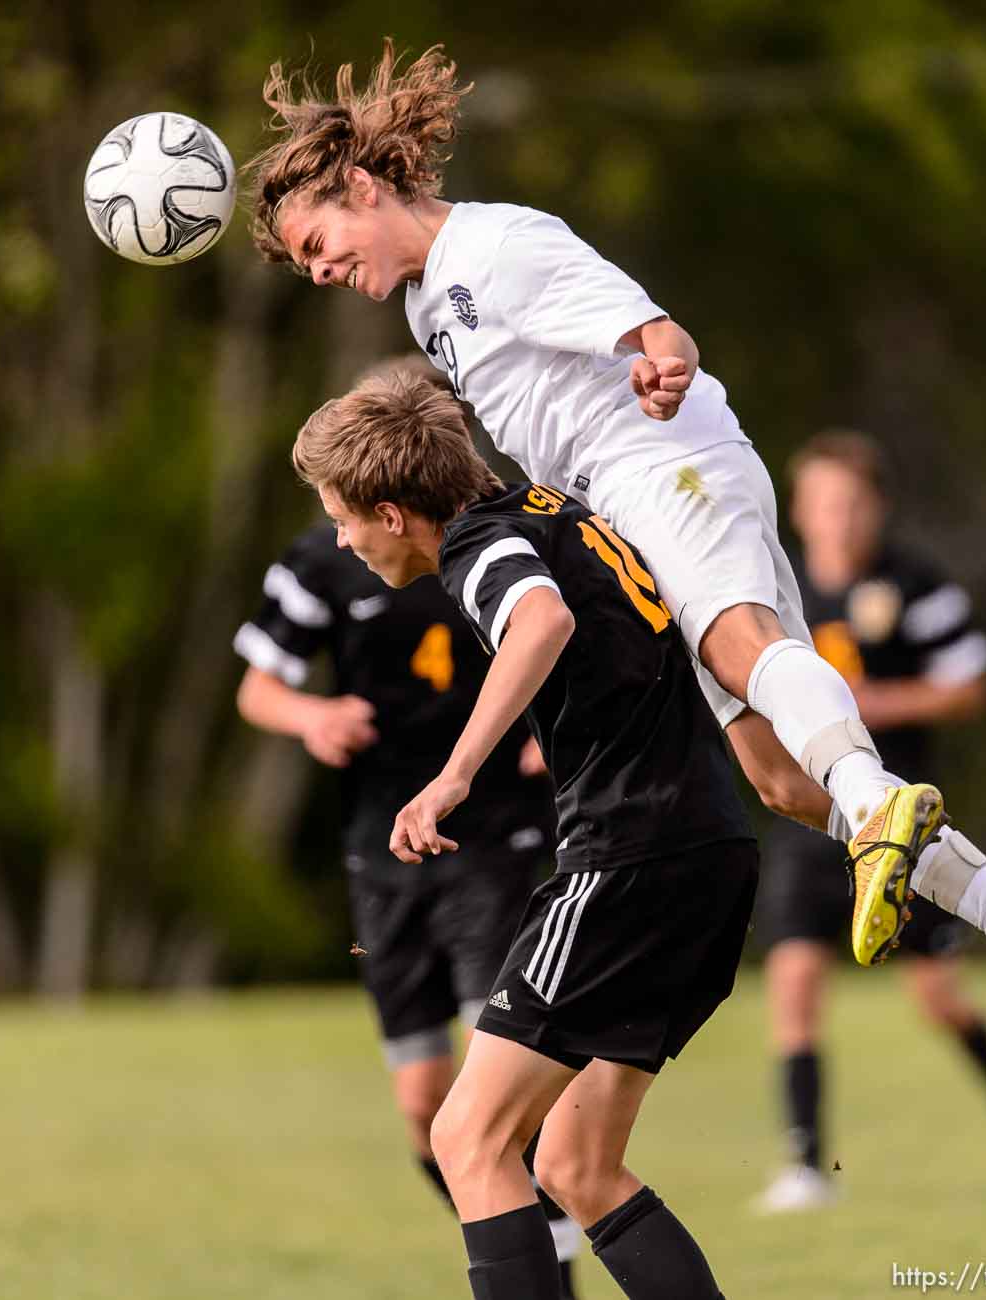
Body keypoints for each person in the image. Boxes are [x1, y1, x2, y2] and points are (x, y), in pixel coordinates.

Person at [243, 40, 986, 1084]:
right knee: (778, 777)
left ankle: (876, 805)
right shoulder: (431, 305)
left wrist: (660, 352)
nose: (322, 270)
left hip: (663, 459)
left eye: (319, 243)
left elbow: (640, 320)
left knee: (743, 648)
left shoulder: (498, 246)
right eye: (305, 267)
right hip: (628, 500)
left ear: (365, 186)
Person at [292, 369, 758, 1300]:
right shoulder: (546, 505)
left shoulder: (479, 546)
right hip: (709, 848)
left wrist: (453, 775)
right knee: (579, 1166)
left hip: (627, 859)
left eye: (342, 517)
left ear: (391, 512)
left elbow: (538, 619)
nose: (339, 539)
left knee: (465, 1139)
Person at [232, 392, 585, 1294]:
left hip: (494, 831)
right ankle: (543, 1235)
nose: (347, 532)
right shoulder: (325, 559)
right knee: (427, 1109)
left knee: (488, 1085)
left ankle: (556, 1247)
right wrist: (311, 715)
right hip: (381, 841)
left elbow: (557, 626)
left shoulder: (485, 541)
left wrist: (557, 723)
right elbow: (258, 689)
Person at [753, 431, 986, 1212]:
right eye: (823, 503)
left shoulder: (913, 581)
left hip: (903, 818)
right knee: (792, 981)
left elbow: (967, 688)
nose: (838, 518)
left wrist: (879, 703)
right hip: (814, 819)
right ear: (801, 509)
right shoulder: (776, 587)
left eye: (852, 503)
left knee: (937, 997)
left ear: (877, 508)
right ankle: (803, 1164)